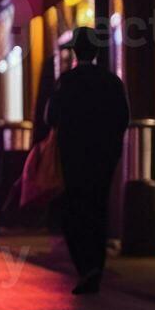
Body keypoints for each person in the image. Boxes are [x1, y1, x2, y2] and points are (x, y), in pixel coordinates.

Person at [46, 26, 130, 294]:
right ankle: (96, 265)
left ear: (75, 51)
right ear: (97, 51)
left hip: (73, 155)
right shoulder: (111, 81)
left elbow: (50, 117)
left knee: (74, 209)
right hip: (103, 157)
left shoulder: (66, 82)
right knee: (98, 207)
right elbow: (122, 118)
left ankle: (85, 266)